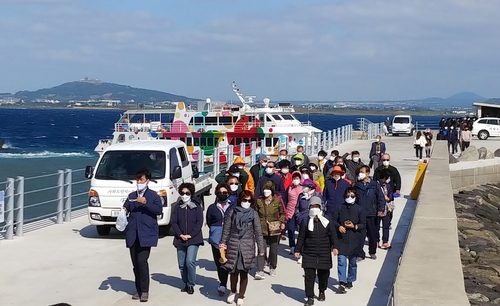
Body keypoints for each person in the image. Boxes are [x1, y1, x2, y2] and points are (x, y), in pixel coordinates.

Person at [123, 168, 163, 302]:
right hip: (133, 234)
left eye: (142, 179)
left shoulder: (153, 196)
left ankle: (145, 291)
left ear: (147, 181)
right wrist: (123, 210)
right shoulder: (132, 195)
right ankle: (138, 289)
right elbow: (126, 206)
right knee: (135, 263)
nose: (139, 182)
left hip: (146, 234)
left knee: (142, 261)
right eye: (137, 179)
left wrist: (146, 203)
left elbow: (158, 210)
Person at [220, 191, 265, 306]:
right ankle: (233, 291)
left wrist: (261, 249)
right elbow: (226, 230)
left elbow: (258, 232)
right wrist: (223, 244)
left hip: (247, 246)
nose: (247, 202)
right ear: (240, 200)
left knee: (244, 273)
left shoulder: (253, 214)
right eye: (244, 200)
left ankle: (241, 295)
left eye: (249, 200)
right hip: (234, 244)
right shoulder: (232, 212)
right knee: (233, 272)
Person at [294, 196, 335, 306]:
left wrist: (335, 247)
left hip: (324, 252)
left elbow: (333, 235)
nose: (314, 208)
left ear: (320, 207)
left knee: (323, 275)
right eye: (312, 206)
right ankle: (310, 296)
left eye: (316, 206)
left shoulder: (326, 220)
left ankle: (322, 291)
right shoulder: (305, 220)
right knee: (309, 277)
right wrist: (297, 250)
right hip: (309, 253)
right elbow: (301, 237)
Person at [171, 183, 204, 295]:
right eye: (182, 193)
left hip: (193, 239)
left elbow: (199, 222)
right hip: (180, 239)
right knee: (181, 264)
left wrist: (190, 235)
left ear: (191, 193)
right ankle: (185, 283)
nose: (184, 195)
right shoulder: (177, 207)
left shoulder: (196, 206)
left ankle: (191, 284)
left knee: (190, 261)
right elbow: (174, 222)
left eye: (187, 193)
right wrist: (180, 234)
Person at [332, 187, 366, 293]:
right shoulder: (339, 208)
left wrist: (354, 226)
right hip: (342, 239)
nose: (349, 197)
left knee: (352, 263)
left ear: (356, 197)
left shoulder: (360, 209)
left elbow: (363, 225)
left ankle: (350, 279)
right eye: (347, 195)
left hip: (354, 239)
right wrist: (339, 227)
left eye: (352, 196)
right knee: (341, 261)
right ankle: (342, 282)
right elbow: (333, 220)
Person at [206, 183, 234, 296]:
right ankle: (222, 283)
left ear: (228, 193)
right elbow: (209, 221)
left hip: (231, 239)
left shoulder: (234, 206)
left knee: (230, 262)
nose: (222, 194)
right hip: (216, 239)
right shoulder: (212, 208)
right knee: (220, 262)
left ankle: (232, 285)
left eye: (224, 192)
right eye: (220, 193)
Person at [253, 181, 285, 279]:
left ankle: (272, 266)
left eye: (268, 189)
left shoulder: (277, 201)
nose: (266, 191)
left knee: (273, 250)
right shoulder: (259, 201)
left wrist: (281, 222)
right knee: (261, 249)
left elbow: (283, 213)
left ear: (272, 191)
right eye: (264, 189)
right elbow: (255, 213)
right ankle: (260, 269)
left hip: (274, 228)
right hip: (261, 228)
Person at [354, 166, 385, 260]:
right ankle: (360, 254)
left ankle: (372, 251)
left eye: (362, 172)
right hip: (360, 215)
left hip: (372, 214)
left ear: (367, 173)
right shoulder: (356, 185)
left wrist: (380, 209)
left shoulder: (374, 185)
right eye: (360, 172)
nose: (361, 174)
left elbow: (381, 198)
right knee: (360, 235)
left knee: (372, 235)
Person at [282, 171, 303, 255]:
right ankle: (292, 246)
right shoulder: (289, 188)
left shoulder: (303, 187)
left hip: (300, 211)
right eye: (294, 178)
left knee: (301, 230)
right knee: (290, 229)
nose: (295, 180)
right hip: (290, 211)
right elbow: (285, 199)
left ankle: (300, 247)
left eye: (297, 178)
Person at [377, 169, 394, 250]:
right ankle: (376, 240)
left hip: (386, 209)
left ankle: (385, 241)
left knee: (386, 226)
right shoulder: (376, 185)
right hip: (378, 209)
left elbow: (390, 194)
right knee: (376, 227)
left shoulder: (388, 185)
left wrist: (389, 198)